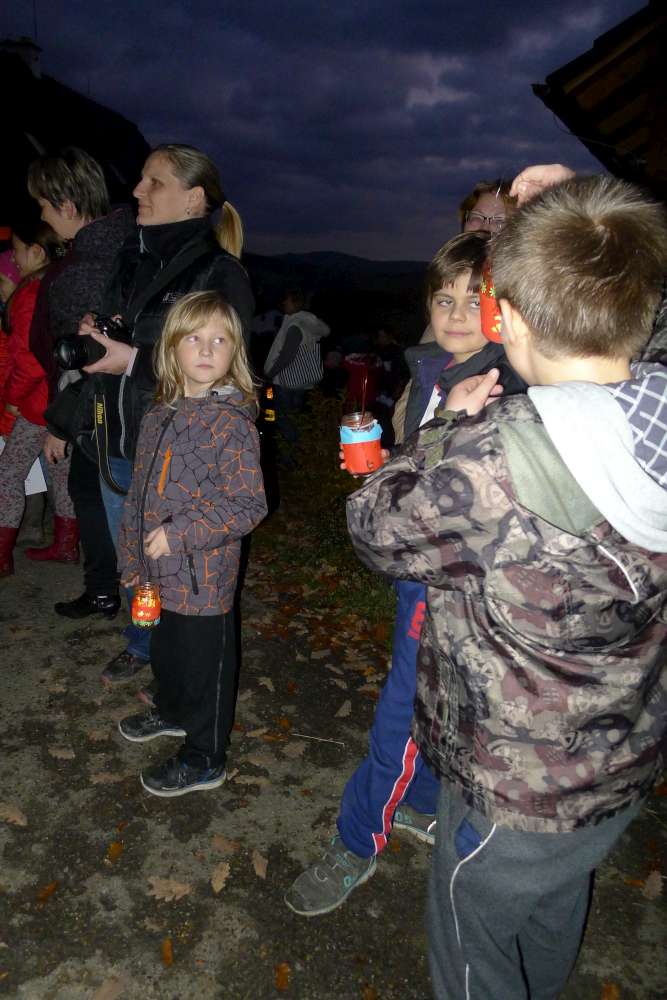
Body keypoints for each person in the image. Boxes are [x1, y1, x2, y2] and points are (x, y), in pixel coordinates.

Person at [345, 175, 667, 998]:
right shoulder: (656, 407)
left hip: (513, 786)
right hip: (620, 758)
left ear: (509, 318)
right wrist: (590, 222)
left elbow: (375, 528)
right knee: (554, 905)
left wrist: (443, 424)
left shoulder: (495, 457)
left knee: (473, 942)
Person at [285, 230, 521, 917]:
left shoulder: (500, 382)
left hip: (454, 583)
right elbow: (430, 468)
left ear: (504, 309)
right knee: (422, 706)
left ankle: (354, 841)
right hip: (417, 569)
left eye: (473, 301)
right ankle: (418, 804)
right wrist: (388, 463)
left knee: (401, 717)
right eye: (443, 299)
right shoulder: (435, 370)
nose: (456, 314)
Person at [76, 143, 255, 684]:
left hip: (182, 454)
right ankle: (142, 643)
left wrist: (132, 360)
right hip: (117, 433)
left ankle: (181, 667)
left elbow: (227, 370)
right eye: (141, 179)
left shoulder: (219, 272)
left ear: (193, 199)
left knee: (179, 564)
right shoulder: (130, 260)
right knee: (133, 556)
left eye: (154, 182)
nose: (137, 190)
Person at [116, 291, 267, 796]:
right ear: (171, 348)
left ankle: (205, 757)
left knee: (205, 669)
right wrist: (132, 557)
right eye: (194, 338)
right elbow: (138, 494)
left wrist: (180, 534)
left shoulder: (232, 424)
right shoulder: (159, 414)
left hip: (204, 583)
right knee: (169, 653)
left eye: (219, 340)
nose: (206, 349)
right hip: (156, 575)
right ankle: (174, 711)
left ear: (234, 352)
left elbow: (248, 505)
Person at [26, 147, 134, 613]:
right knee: (101, 496)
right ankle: (107, 590)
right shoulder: (125, 242)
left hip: (101, 408)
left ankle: (113, 594)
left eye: (43, 205)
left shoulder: (85, 266)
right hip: (122, 402)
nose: (42, 216)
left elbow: (81, 359)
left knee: (94, 495)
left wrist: (60, 423)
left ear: (67, 206)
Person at [0, 219, 65, 576]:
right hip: (60, 401)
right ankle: (67, 544)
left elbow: (29, 360)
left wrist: (13, 398)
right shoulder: (57, 283)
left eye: (17, 250)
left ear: (37, 251)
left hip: (37, 405)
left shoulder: (30, 294)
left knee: (8, 473)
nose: (14, 258)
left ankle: (2, 553)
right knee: (60, 472)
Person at [263, 287, 329, 463]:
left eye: (286, 300)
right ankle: (299, 455)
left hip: (286, 381)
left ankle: (289, 459)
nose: (283, 303)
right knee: (296, 418)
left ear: (295, 302)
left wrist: (271, 373)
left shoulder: (295, 325)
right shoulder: (308, 322)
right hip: (302, 380)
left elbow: (287, 355)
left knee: (285, 420)